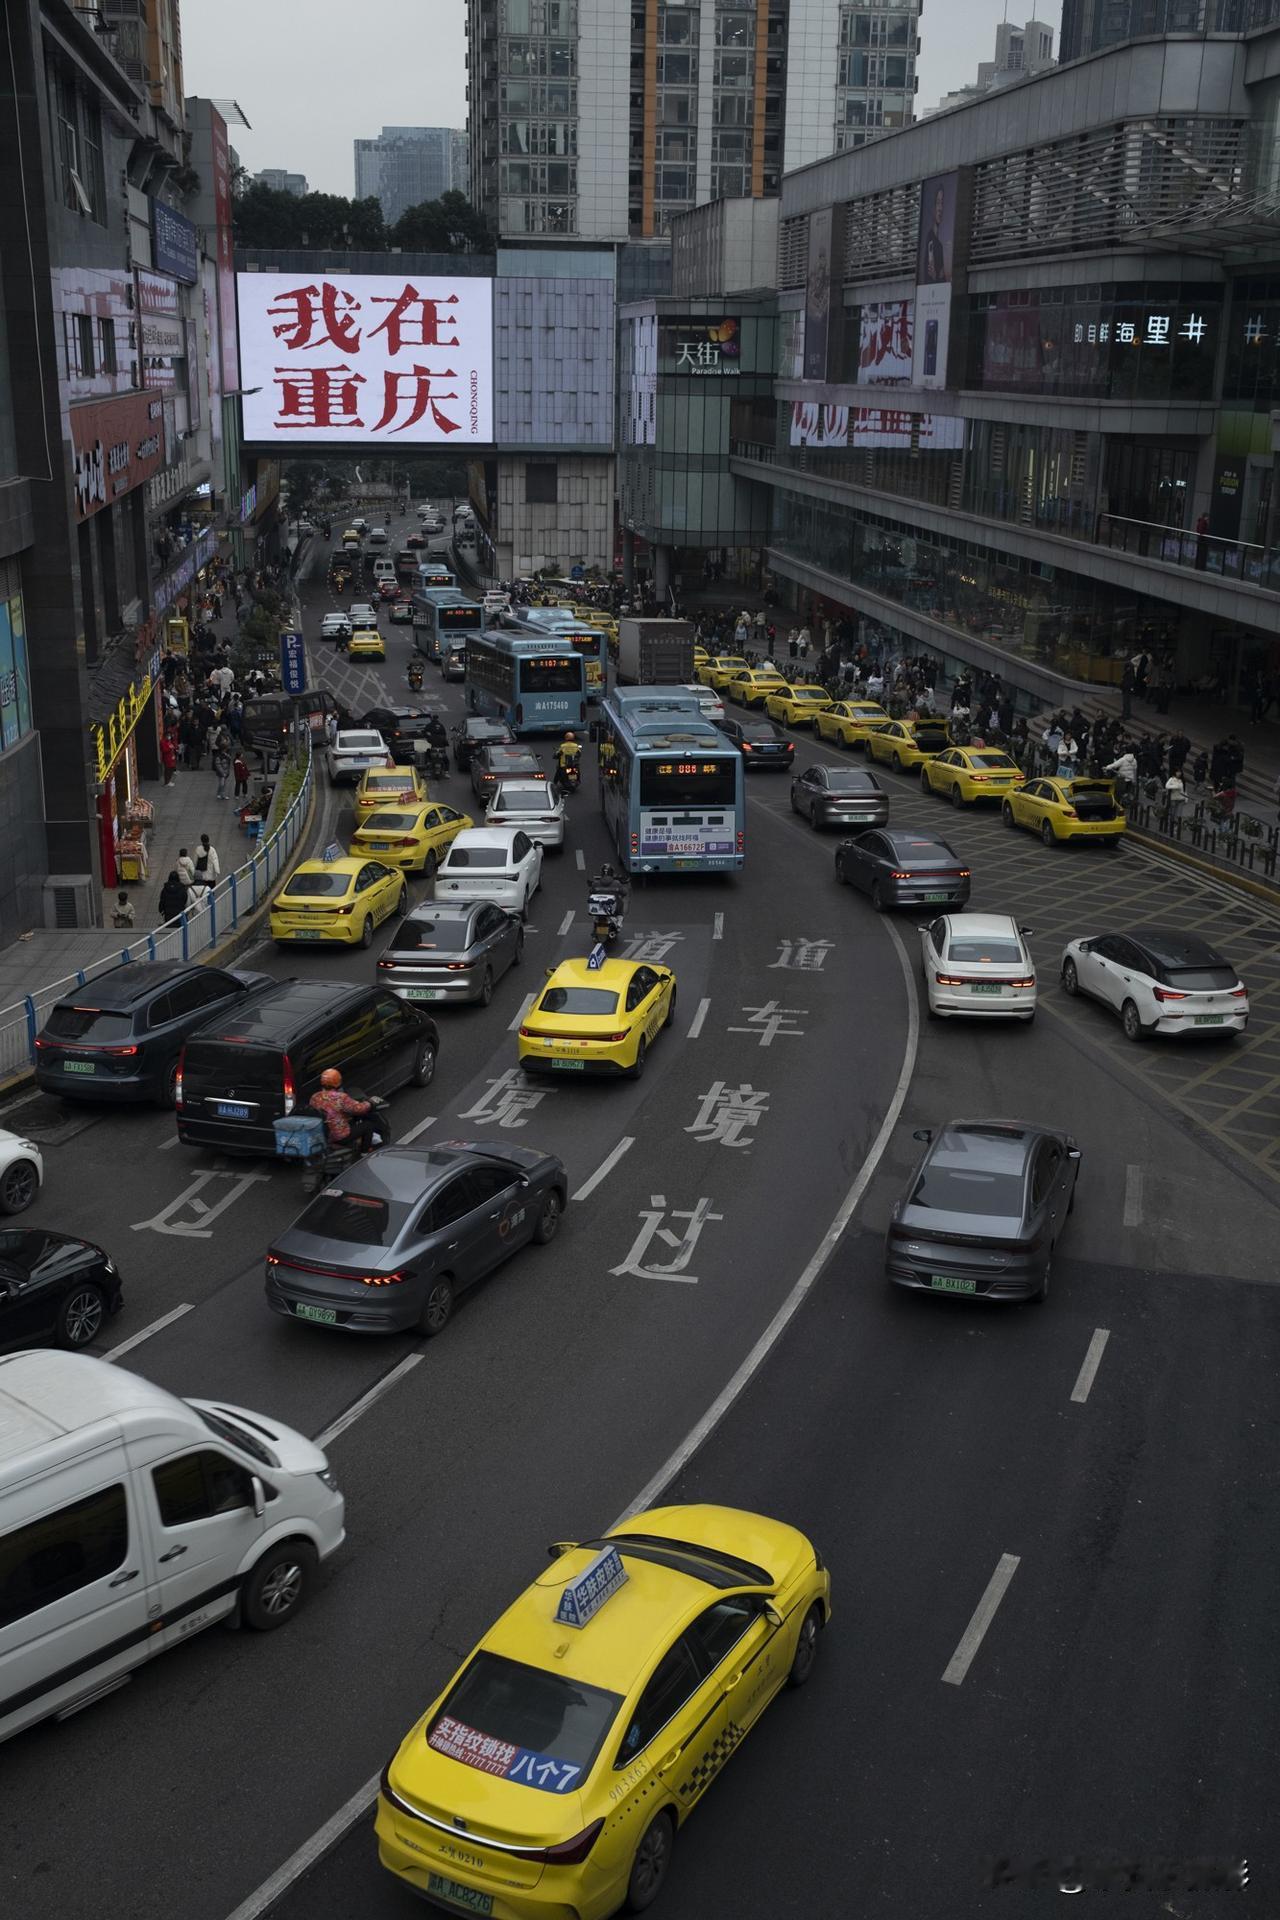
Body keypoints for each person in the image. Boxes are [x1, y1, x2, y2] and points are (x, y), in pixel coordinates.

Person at [309, 1067, 374, 1154]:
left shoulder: (315, 1097)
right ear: (338, 1082)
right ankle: (365, 1152)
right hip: (339, 1136)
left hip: (323, 1134)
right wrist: (370, 1103)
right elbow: (358, 1109)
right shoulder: (341, 1097)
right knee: (368, 1125)